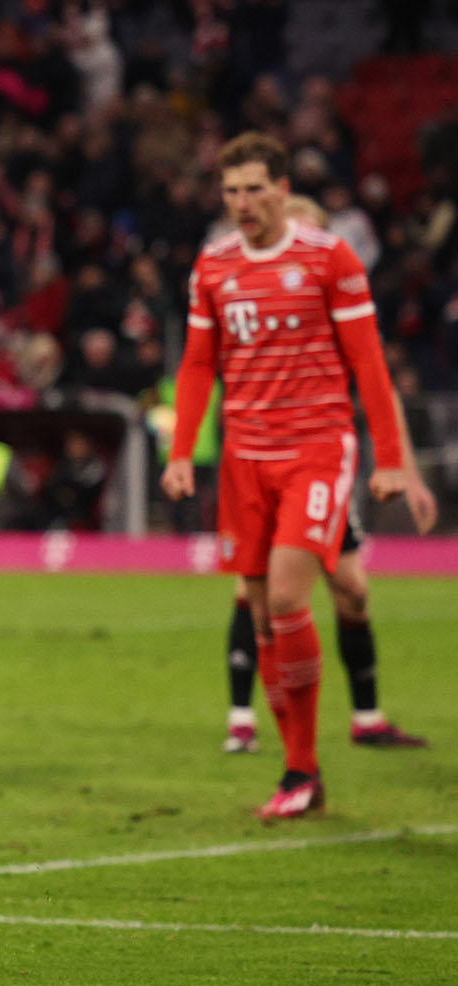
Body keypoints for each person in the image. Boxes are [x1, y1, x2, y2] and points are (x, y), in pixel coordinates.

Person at [162, 133, 412, 819]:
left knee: (284, 598)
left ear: (280, 188)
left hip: (315, 450)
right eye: (230, 191)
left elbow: (369, 364)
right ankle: (298, 768)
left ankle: (302, 769)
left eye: (252, 189)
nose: (241, 203)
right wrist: (183, 452)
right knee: (265, 621)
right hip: (244, 456)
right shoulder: (212, 267)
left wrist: (389, 459)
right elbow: (195, 366)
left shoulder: (330, 258)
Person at [217, 195, 435, 754]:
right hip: (269, 464)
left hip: (320, 468)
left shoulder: (340, 310)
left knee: (353, 593)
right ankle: (244, 718)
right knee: (260, 593)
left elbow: (377, 387)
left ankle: (366, 719)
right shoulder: (261, 304)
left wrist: (405, 471)